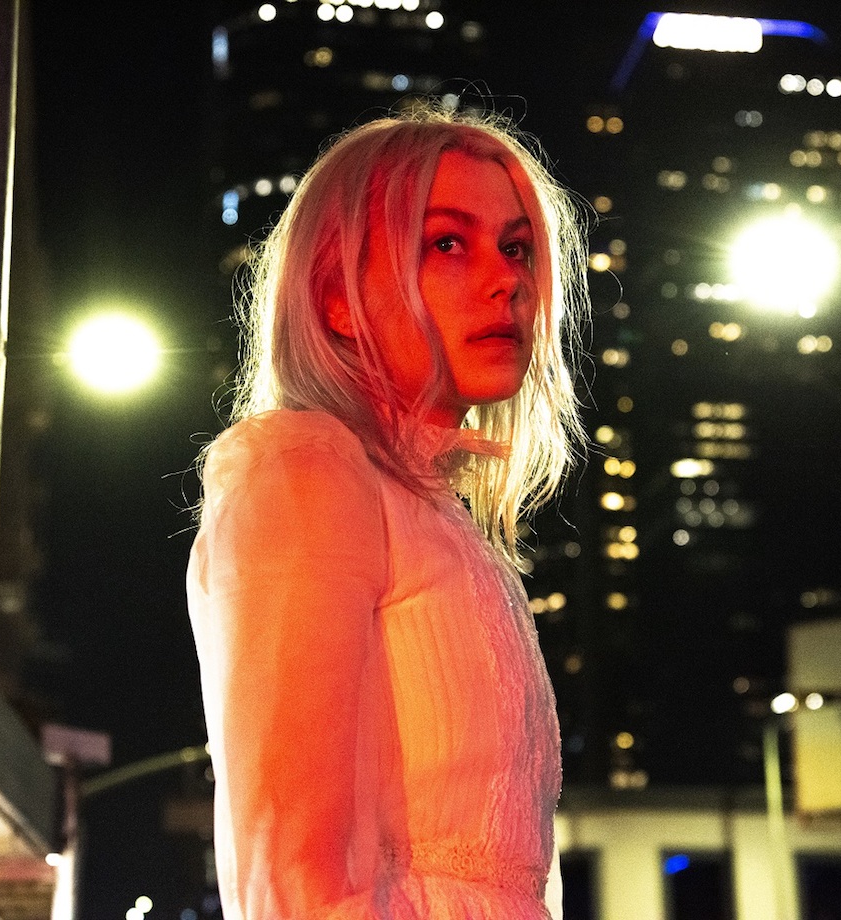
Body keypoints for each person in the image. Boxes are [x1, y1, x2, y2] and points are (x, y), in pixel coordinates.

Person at [186, 105, 590, 920]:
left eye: (516, 248)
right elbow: (293, 879)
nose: (507, 280)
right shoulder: (308, 469)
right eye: (447, 244)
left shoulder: (442, 520)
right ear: (337, 296)